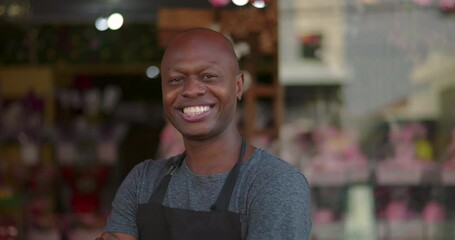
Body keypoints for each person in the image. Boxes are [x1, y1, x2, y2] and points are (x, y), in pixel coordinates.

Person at [97, 27, 312, 240]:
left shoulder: (274, 183)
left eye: (209, 76)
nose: (191, 90)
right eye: (176, 80)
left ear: (238, 87)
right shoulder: (143, 182)